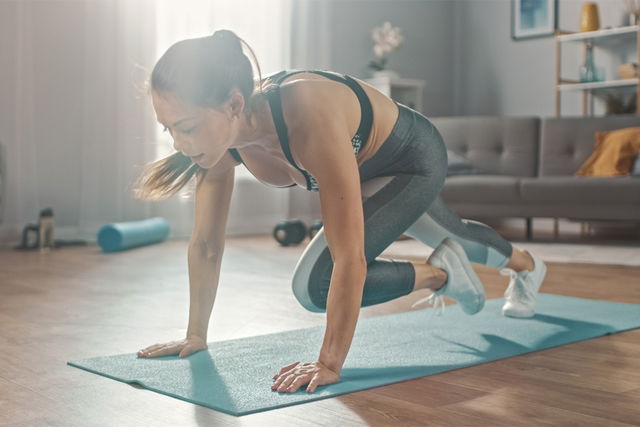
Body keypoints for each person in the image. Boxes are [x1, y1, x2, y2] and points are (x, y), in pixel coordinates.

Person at [134, 29, 547, 394]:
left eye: (185, 127)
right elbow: (206, 244)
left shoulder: (307, 115)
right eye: (167, 128)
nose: (176, 143)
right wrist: (195, 335)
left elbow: (349, 258)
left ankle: (527, 265)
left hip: (410, 160)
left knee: (453, 236)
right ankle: (441, 275)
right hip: (363, 173)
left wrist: (329, 363)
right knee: (314, 289)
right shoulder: (222, 144)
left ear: (234, 104)